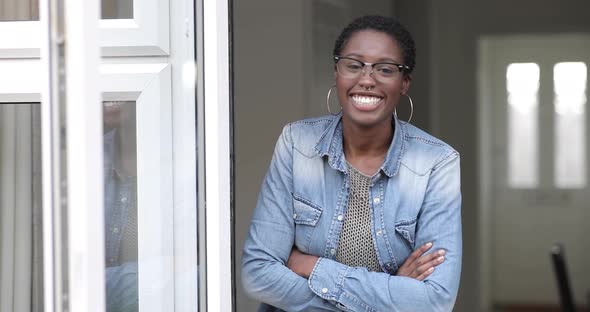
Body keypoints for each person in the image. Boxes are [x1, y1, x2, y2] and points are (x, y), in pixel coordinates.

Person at [241, 15, 462, 311]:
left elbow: (435, 300)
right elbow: (258, 274)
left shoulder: (436, 161)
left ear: (404, 82)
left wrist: (313, 266)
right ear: (336, 72)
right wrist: (390, 292)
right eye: (353, 65)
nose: (367, 80)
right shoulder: (297, 143)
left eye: (385, 69)